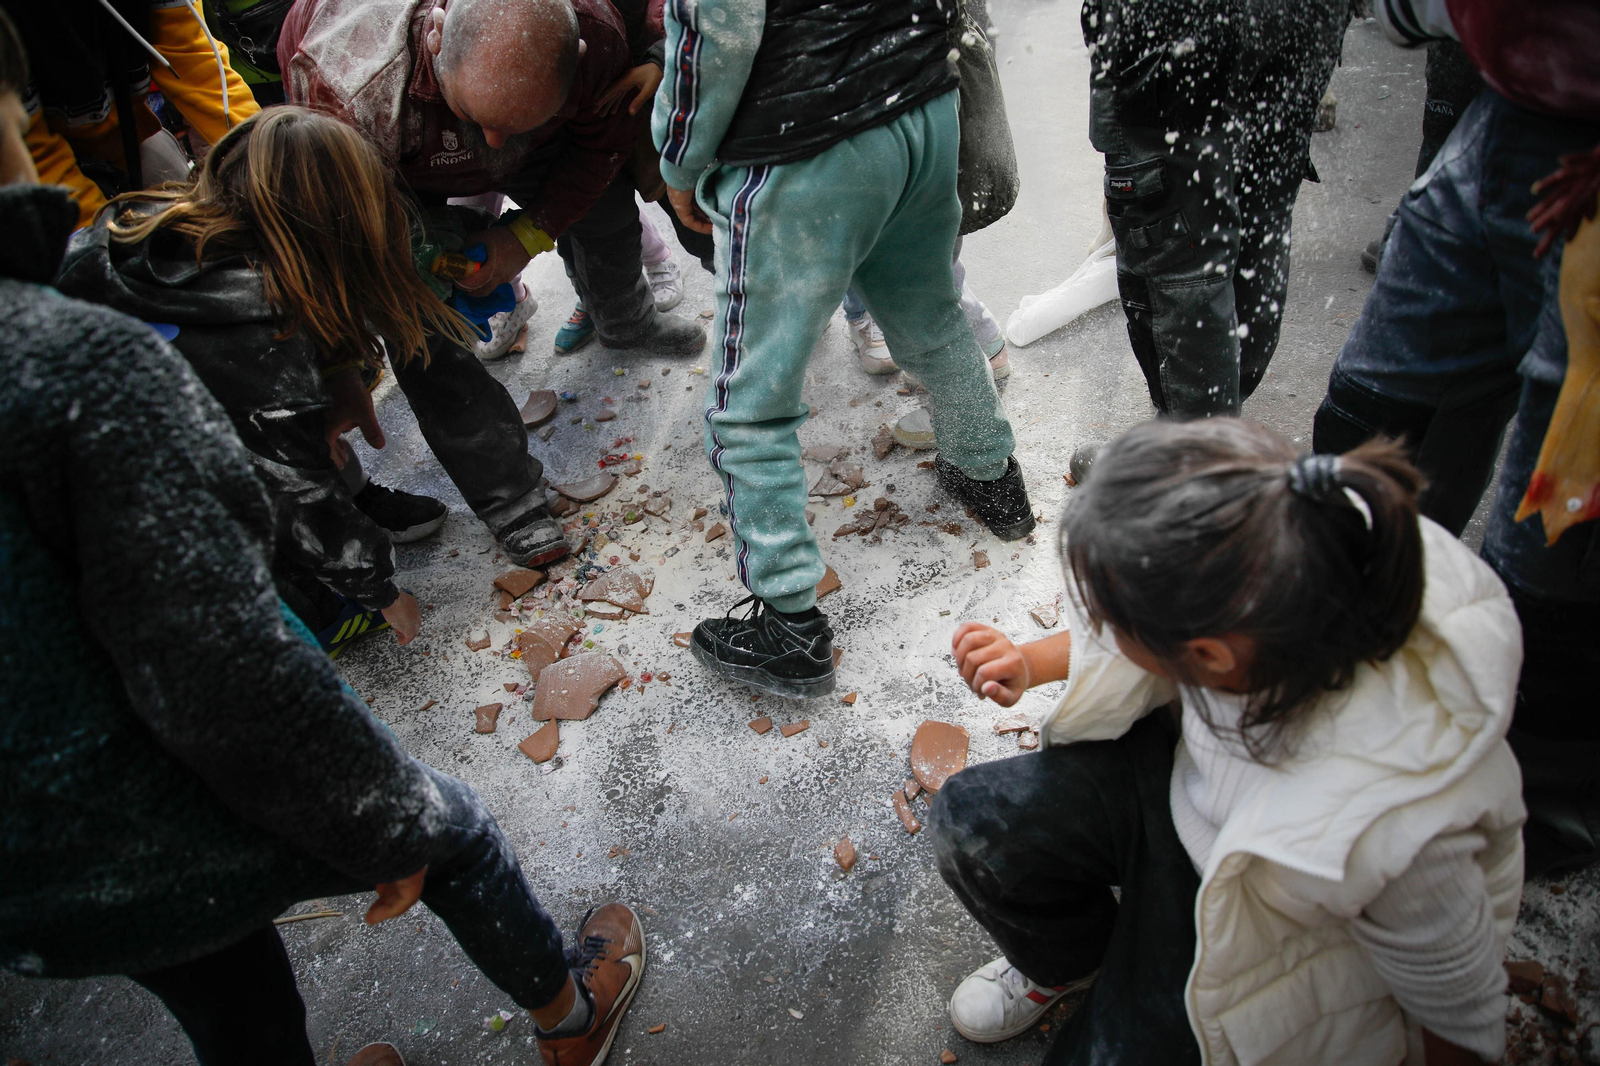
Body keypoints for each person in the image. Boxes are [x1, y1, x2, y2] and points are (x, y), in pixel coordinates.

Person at [0, 19, 646, 1066]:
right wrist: (365, 604)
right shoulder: (116, 363)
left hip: (34, 864)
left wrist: (330, 399)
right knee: (452, 838)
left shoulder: (120, 245)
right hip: (161, 761)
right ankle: (570, 1016)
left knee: (233, 1003)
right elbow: (235, 624)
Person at [933, 418, 1525, 1066]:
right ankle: (1073, 963)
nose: (1095, 626)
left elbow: (1463, 1020)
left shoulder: (1397, 837)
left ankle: (1132, 980)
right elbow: (1141, 643)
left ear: (1207, 655)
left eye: (1106, 615)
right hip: (1203, 788)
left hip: (1270, 918)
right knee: (972, 822)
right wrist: (1030, 662)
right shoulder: (1278, 565)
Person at [657, 0, 1036, 699]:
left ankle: (791, 631)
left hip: (801, 139)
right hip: (920, 104)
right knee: (928, 309)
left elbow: (720, 27)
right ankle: (990, 476)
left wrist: (679, 157)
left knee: (750, 401)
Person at [1312, 0, 1600, 872]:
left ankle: (1546, 793)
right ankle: (1364, 653)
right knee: (1368, 422)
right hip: (1502, 112)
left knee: (1558, 518)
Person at [55, 106, 469, 654]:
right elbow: (302, 495)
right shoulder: (255, 327)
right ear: (336, 239)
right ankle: (312, 611)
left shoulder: (160, 224)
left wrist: (338, 377)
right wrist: (383, 593)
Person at [278, 0, 704, 357]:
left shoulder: (596, 32)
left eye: (519, 125)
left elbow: (598, 152)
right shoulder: (351, 94)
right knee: (414, 296)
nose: (496, 146)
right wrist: (418, 252)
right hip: (395, 147)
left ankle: (626, 324)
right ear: (437, 38)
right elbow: (351, 234)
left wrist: (525, 236)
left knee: (603, 212)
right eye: (475, 116)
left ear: (578, 53)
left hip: (478, 119)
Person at [1081, 0, 1348, 417]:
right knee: (1261, 206)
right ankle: (1216, 419)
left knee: (1178, 248)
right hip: (1305, 14)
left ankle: (1197, 450)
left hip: (1179, 23)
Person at [2, 0, 259, 229]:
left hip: (129, 141)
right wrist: (102, 241)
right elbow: (32, 149)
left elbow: (197, 61)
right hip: (26, 162)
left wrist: (262, 151)